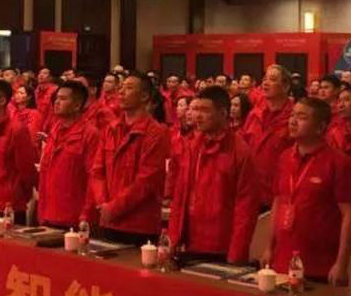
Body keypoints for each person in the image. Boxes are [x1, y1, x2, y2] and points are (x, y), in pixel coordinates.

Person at [267, 97, 351, 284]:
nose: (293, 121)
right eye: (292, 115)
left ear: (320, 127)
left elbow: (350, 215)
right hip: (281, 259)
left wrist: (341, 263)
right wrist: (269, 247)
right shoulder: (285, 157)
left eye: (302, 117)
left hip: (319, 265)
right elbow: (278, 202)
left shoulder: (338, 162)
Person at [165, 86, 258, 265]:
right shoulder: (191, 145)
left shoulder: (240, 151)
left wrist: (237, 253)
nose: (197, 116)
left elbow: (246, 209)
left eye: (205, 110)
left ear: (223, 113)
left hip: (221, 246)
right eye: (196, 109)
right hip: (189, 242)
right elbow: (181, 195)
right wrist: (173, 237)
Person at [90, 73, 170, 245]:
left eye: (129, 88)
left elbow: (146, 181)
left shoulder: (156, 132)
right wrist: (103, 204)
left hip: (139, 225)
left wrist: (114, 208)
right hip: (108, 219)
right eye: (121, 87)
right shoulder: (111, 129)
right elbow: (97, 172)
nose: (121, 92)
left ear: (144, 96)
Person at [37, 81, 98, 229]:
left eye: (63, 99)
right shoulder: (54, 130)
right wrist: (41, 212)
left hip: (74, 218)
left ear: (77, 105)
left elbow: (94, 178)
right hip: (48, 214)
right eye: (56, 98)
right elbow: (45, 172)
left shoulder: (90, 134)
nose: (57, 102)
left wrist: (86, 215)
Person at [0, 79, 38, 221]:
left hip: (10, 205)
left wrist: (21, 193)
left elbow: (27, 170)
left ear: (2, 100)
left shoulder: (17, 129)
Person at [240, 65, 300, 210]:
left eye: (272, 79)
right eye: (265, 78)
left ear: (286, 87)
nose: (266, 83)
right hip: (251, 192)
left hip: (281, 195)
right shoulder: (254, 114)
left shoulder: (296, 116)